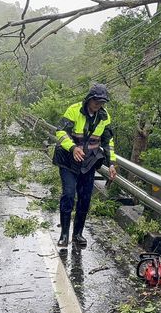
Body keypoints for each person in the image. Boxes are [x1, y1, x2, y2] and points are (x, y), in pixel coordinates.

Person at [52, 83, 117, 247]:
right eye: (96, 101)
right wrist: (73, 147)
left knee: (85, 198)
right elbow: (60, 132)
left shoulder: (104, 116)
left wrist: (112, 164)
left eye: (102, 103)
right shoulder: (74, 110)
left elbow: (108, 141)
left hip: (89, 162)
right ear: (89, 99)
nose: (98, 105)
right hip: (68, 160)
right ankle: (64, 234)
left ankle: (78, 234)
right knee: (68, 194)